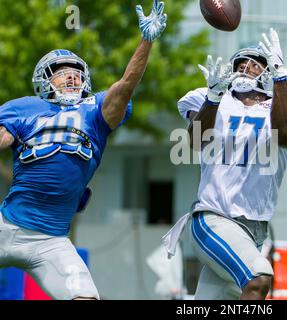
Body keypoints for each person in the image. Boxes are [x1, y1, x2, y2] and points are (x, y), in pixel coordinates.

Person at [0, 1, 166, 300]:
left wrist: (146, 42)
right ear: (44, 80)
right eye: (61, 72)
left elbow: (126, 86)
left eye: (76, 72)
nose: (71, 76)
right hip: (7, 226)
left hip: (51, 241)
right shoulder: (23, 108)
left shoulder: (94, 111)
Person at [163, 28, 287, 300]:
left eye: (255, 64)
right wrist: (212, 97)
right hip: (213, 217)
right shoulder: (213, 98)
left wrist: (281, 78)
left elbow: (284, 136)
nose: (246, 67)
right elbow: (195, 141)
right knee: (258, 279)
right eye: (240, 64)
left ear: (269, 72)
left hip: (254, 227)